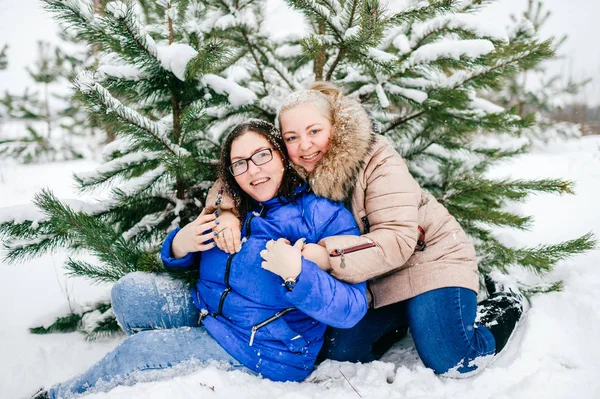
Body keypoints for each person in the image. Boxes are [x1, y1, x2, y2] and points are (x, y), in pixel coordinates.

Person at [205, 82, 527, 377]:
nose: (305, 145)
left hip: (428, 261)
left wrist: (327, 256)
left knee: (452, 359)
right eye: (291, 138)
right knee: (339, 353)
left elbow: (399, 240)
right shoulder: (295, 163)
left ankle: (507, 302)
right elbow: (238, 173)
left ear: (335, 126)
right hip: (373, 278)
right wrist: (227, 210)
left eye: (315, 131)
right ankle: (409, 319)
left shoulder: (377, 160)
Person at [32, 120, 367, 399]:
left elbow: (352, 308)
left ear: (282, 156)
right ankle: (171, 360)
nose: (253, 170)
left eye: (262, 155)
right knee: (128, 292)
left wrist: (299, 272)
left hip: (265, 346)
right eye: (240, 163)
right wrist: (180, 243)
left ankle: (60, 394)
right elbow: (209, 261)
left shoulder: (322, 214)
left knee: (139, 353)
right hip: (212, 308)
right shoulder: (234, 203)